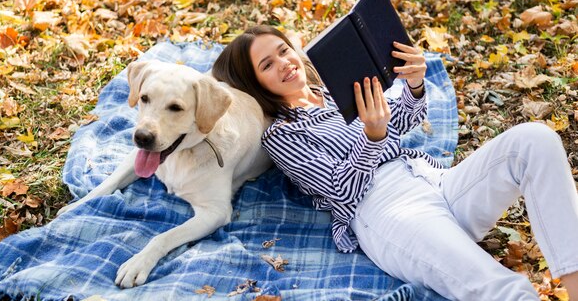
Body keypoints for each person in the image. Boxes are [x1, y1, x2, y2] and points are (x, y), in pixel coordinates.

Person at [211, 25, 578, 301]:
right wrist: (371, 137)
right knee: (500, 288)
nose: (285, 64)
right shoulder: (281, 135)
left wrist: (415, 85)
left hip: (431, 179)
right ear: (255, 82)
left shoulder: (331, 90)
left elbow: (397, 122)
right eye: (267, 64)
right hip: (386, 211)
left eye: (283, 51)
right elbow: (341, 191)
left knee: (534, 139)